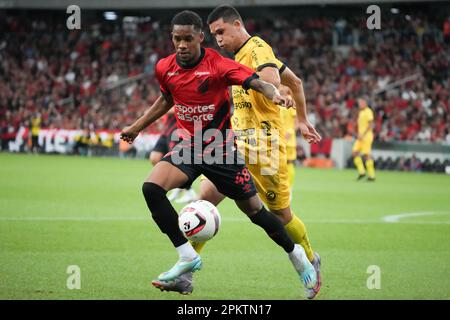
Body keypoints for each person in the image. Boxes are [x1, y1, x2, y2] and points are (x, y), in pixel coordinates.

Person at [120, 10, 316, 294]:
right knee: (151, 188)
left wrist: (271, 91)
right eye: (177, 39)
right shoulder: (164, 67)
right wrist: (137, 127)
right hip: (188, 147)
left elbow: (254, 80)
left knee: (257, 212)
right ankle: (187, 258)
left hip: (221, 151)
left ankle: (297, 256)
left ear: (200, 38)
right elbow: (166, 99)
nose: (182, 45)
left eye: (188, 38)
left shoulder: (220, 64)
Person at [150, 110, 197, 203]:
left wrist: (160, 111)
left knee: (177, 159)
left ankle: (189, 192)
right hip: (167, 128)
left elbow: (180, 106)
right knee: (155, 157)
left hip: (179, 127)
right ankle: (178, 187)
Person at [352, 98, 376, 181]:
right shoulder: (361, 112)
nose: (360, 104)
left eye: (361, 102)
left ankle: (372, 175)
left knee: (366, 155)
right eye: (359, 103)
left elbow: (371, 125)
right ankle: (362, 172)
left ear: (365, 103)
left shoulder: (368, 111)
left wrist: (363, 134)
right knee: (355, 152)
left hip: (366, 136)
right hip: (360, 137)